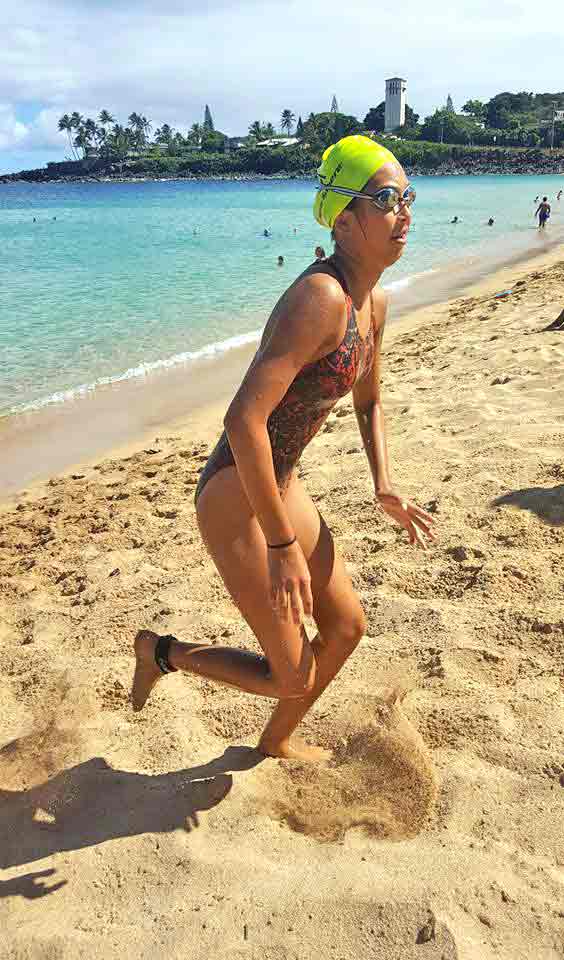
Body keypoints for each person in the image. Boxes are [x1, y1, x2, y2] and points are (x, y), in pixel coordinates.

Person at [131, 135, 433, 762]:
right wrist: (280, 545)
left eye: (408, 197)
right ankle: (162, 653)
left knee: (346, 627)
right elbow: (243, 420)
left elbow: (369, 400)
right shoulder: (320, 298)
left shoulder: (373, 301)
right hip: (234, 492)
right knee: (291, 674)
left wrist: (384, 484)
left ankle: (275, 743)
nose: (403, 212)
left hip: (280, 478)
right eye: (386, 200)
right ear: (343, 221)